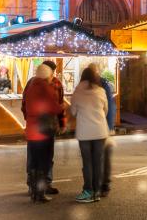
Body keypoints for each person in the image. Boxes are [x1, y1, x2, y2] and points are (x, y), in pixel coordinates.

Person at [22, 60, 66, 196]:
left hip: (35, 127)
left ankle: (36, 185)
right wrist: (62, 121)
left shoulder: (32, 83)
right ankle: (41, 186)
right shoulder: (51, 85)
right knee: (44, 157)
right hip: (46, 126)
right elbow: (57, 106)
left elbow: (24, 104)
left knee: (36, 157)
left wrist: (28, 119)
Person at [70, 67, 109, 203]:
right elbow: (105, 110)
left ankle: (88, 191)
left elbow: (73, 112)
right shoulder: (101, 91)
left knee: (87, 163)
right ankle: (97, 192)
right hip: (100, 131)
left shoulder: (77, 92)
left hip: (84, 133)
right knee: (98, 162)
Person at [90, 64, 118, 197]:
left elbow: (109, 107)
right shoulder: (103, 85)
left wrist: (109, 127)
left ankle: (100, 184)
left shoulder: (100, 85)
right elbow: (110, 107)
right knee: (101, 157)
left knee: (96, 157)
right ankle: (102, 184)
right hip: (100, 126)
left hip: (97, 127)